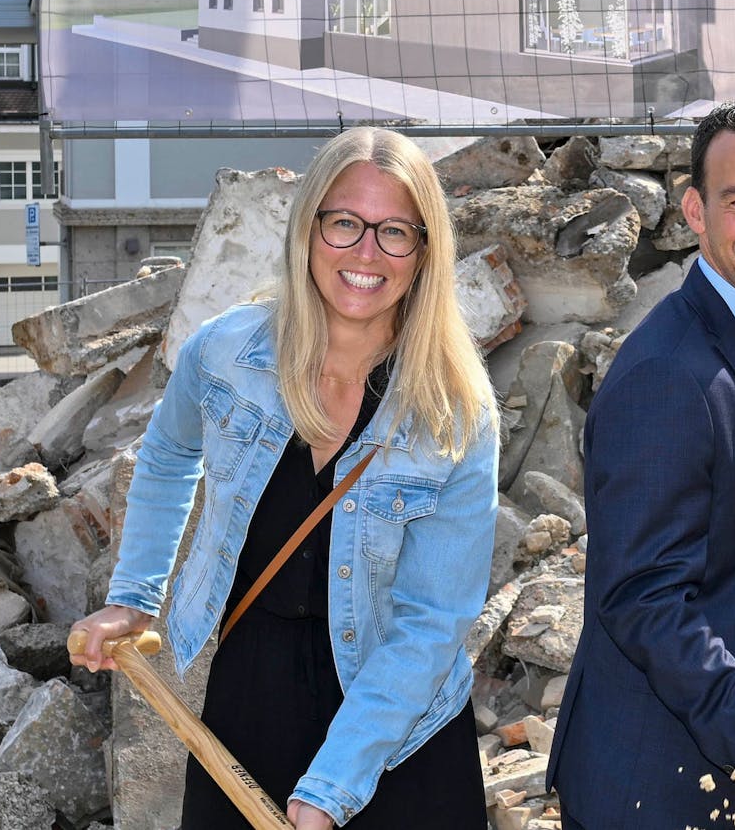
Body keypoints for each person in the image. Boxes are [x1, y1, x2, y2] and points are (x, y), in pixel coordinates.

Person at [70, 127, 499, 830]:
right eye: (344, 223)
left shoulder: (454, 411)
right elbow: (169, 453)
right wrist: (135, 597)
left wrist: (329, 789)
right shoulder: (227, 353)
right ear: (308, 228)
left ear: (425, 252)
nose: (366, 253)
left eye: (395, 231)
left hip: (397, 729)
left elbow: (432, 621)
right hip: (247, 712)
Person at [546, 96, 735, 828]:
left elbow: (732, 486)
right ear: (695, 211)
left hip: (711, 772)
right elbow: (644, 597)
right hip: (656, 786)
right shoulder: (668, 374)